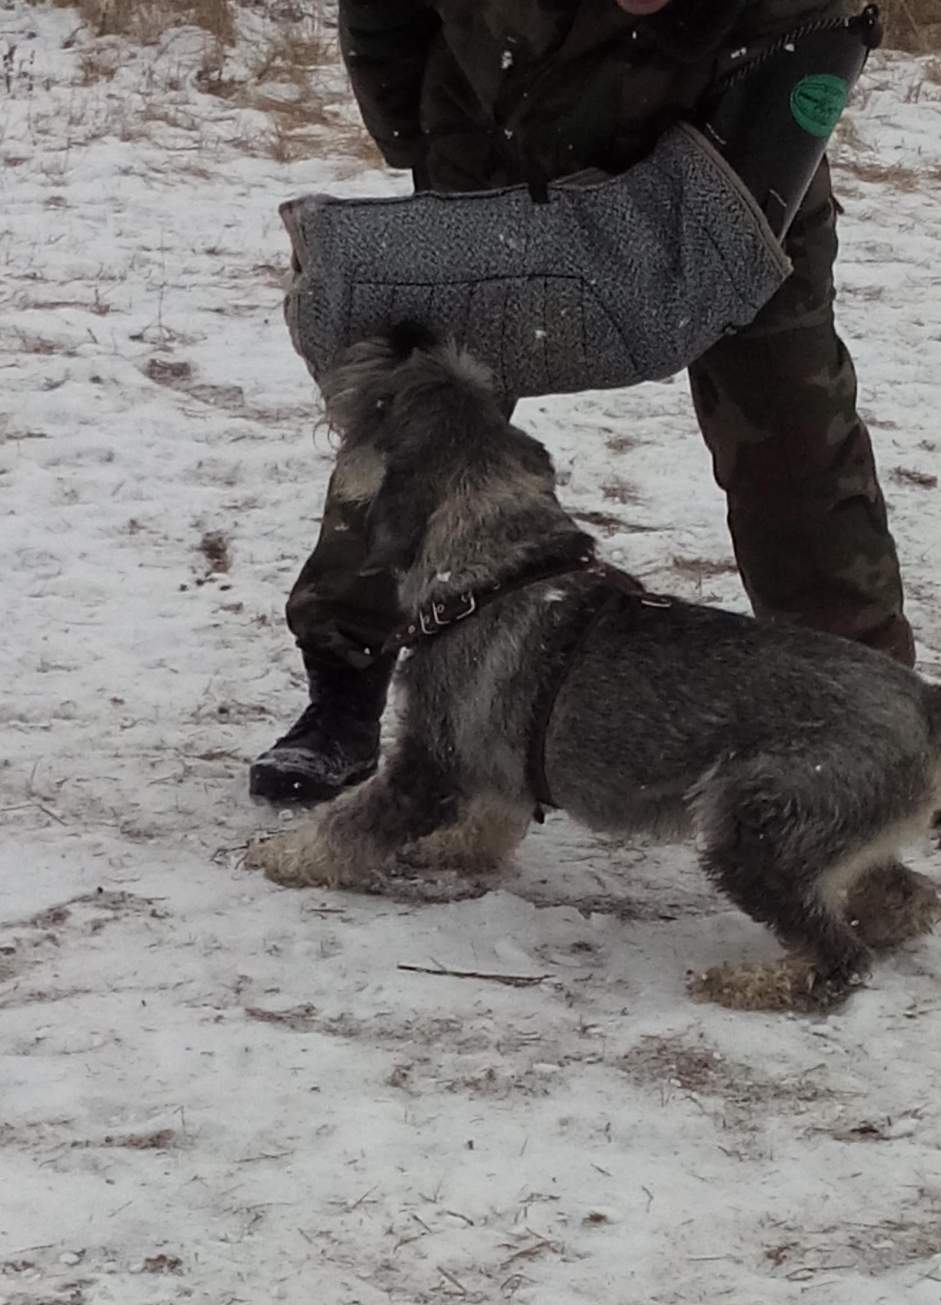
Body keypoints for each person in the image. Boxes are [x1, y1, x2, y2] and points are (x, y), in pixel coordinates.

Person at [250, 0, 914, 807]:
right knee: (422, 418)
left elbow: (825, 39)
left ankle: (879, 725)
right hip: (496, 146)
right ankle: (343, 690)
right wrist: (414, 137)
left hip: (738, 165)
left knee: (795, 436)